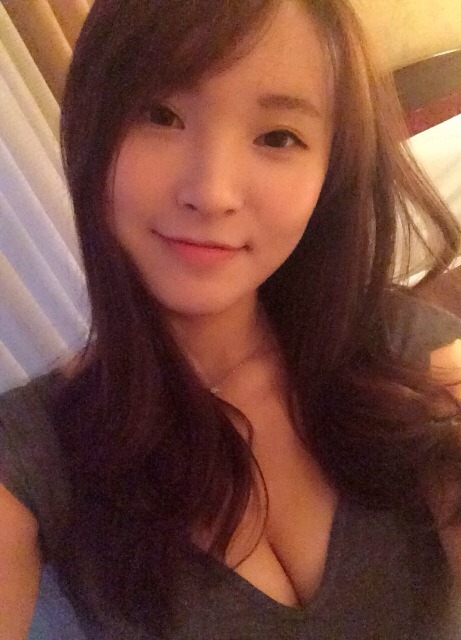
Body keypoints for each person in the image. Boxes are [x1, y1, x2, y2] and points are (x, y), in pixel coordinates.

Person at [1, 0, 461, 637]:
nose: (212, 193)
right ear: (91, 128)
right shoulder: (31, 453)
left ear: (329, 170)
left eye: (278, 137)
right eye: (160, 115)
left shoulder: (399, 347)